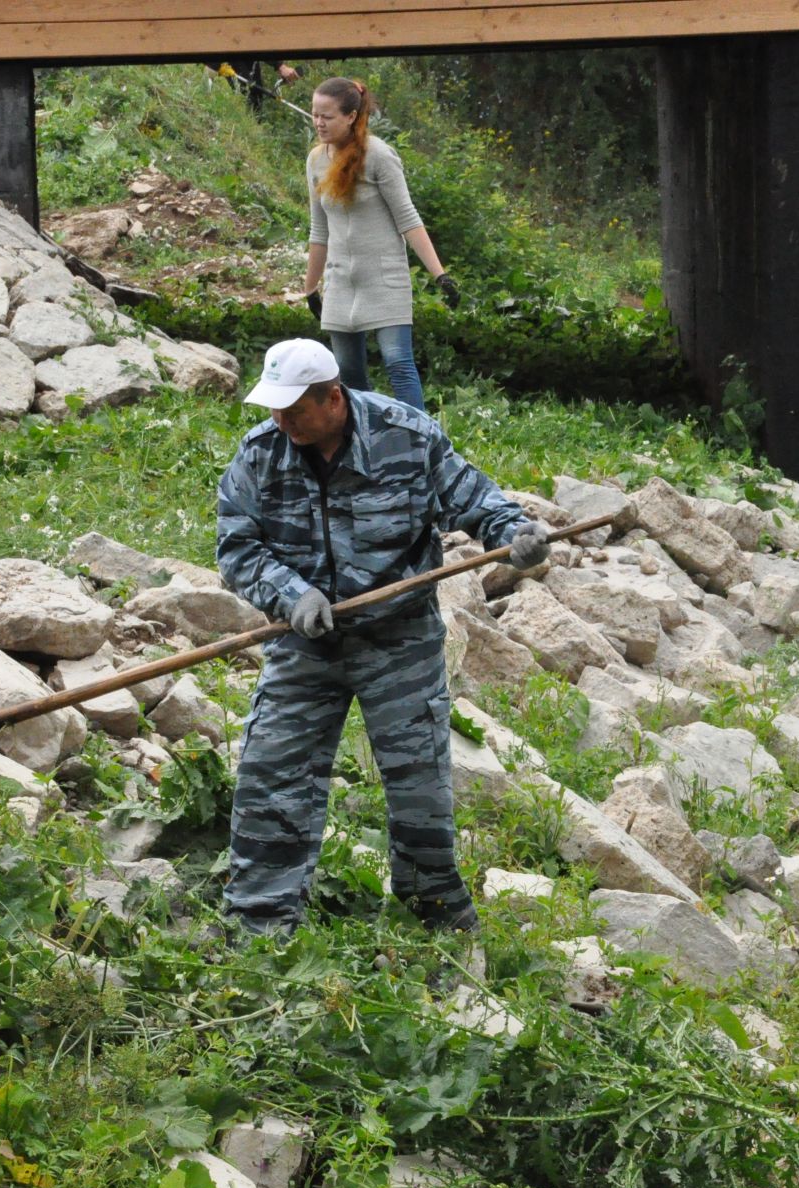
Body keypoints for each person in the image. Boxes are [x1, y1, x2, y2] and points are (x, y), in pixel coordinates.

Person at [216, 338, 550, 936]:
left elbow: (476, 502)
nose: (282, 420)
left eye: (295, 409)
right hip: (306, 641)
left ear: (334, 398)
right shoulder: (260, 453)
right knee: (271, 775)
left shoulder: (408, 435)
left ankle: (437, 923)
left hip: (399, 639)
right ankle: (257, 927)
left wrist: (516, 534)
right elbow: (238, 546)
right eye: (274, 408)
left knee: (419, 785)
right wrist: (292, 595)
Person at [301, 77, 457, 413]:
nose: (319, 122)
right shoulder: (316, 161)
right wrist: (311, 287)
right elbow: (319, 229)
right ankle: (366, 440)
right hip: (341, 281)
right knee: (347, 372)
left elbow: (408, 219)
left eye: (327, 116)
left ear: (351, 116)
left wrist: (440, 274)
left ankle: (419, 439)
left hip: (384, 278)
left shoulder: (379, 157)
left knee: (398, 362)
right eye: (315, 114)